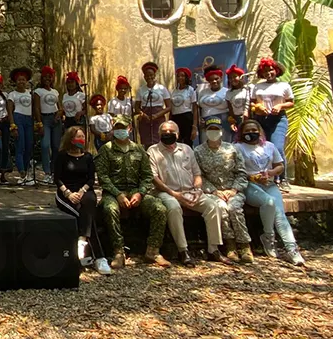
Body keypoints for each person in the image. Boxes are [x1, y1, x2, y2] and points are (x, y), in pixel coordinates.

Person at [148, 121, 230, 266]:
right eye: (164, 132)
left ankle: (213, 249)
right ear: (159, 134)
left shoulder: (186, 149)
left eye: (171, 131)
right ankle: (183, 250)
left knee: (213, 206)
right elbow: (154, 178)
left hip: (190, 191)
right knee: (173, 207)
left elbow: (197, 174)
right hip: (166, 192)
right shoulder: (153, 151)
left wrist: (197, 190)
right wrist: (173, 193)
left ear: (177, 134)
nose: (168, 134)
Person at [95, 115, 170, 268]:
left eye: (123, 128)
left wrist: (140, 193)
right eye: (117, 128)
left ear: (130, 128)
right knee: (110, 209)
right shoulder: (106, 149)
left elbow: (147, 175)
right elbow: (102, 176)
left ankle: (153, 250)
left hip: (136, 192)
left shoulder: (139, 149)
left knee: (159, 208)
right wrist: (118, 194)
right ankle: (118, 251)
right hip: (114, 193)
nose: (120, 131)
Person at [235, 120, 304, 266]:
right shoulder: (238, 148)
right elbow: (236, 169)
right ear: (241, 133)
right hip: (250, 185)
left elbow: (279, 166)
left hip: (269, 184)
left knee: (280, 214)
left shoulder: (269, 146)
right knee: (268, 202)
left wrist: (270, 173)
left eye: (254, 129)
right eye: (247, 131)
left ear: (260, 131)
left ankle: (292, 249)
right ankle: (268, 235)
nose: (251, 133)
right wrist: (252, 177)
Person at [194, 117, 261, 263]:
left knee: (234, 208)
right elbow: (200, 176)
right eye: (210, 129)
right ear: (205, 131)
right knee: (222, 208)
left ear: (222, 131)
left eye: (216, 129)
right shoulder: (198, 151)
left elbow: (242, 173)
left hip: (233, 190)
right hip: (213, 192)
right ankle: (229, 245)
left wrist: (234, 190)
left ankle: (244, 245)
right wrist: (213, 191)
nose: (213, 132)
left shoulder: (233, 148)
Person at [53, 126, 99, 268]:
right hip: (66, 192)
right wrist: (68, 193)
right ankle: (91, 255)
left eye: (83, 137)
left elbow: (91, 179)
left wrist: (82, 190)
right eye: (78, 137)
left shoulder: (88, 157)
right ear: (71, 140)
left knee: (89, 203)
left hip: (84, 190)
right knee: (83, 213)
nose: (82, 140)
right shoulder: (62, 156)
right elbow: (57, 178)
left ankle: (82, 240)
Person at [251, 57, 294, 191]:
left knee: (277, 147)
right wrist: (258, 107)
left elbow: (291, 102)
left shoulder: (284, 85)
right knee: (263, 149)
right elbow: (252, 103)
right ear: (261, 73)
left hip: (278, 120)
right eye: (265, 71)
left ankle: (282, 179)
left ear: (276, 70)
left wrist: (280, 105)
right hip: (261, 120)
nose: (268, 73)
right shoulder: (257, 86)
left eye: (270, 70)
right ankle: (267, 178)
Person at [34, 66, 63, 184]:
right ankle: (46, 173)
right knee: (45, 146)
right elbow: (36, 107)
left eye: (49, 77)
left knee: (56, 146)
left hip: (55, 120)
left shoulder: (55, 92)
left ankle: (54, 172)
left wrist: (59, 114)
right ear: (42, 78)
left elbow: (60, 107)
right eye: (45, 77)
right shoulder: (38, 92)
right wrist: (39, 122)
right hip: (44, 119)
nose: (47, 79)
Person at [7, 67, 34, 186]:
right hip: (18, 118)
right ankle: (21, 172)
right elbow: (10, 110)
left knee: (29, 146)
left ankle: (27, 172)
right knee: (20, 146)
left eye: (23, 80)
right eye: (19, 80)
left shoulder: (30, 93)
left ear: (27, 81)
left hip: (29, 119)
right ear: (15, 81)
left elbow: (34, 108)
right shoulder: (12, 94)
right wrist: (13, 125)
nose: (21, 82)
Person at [135, 62, 171, 148]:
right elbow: (136, 107)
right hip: (145, 118)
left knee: (160, 140)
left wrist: (157, 115)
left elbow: (169, 107)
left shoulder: (162, 88)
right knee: (147, 142)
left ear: (155, 75)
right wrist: (143, 114)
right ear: (144, 77)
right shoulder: (141, 90)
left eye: (151, 75)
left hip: (158, 117)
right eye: (147, 75)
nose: (149, 77)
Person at [196, 66, 231, 142]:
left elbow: (231, 108)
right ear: (208, 81)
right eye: (211, 80)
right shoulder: (202, 92)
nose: (214, 81)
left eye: (216, 79)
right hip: (206, 122)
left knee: (224, 144)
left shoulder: (227, 92)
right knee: (206, 144)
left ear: (221, 79)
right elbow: (198, 108)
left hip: (223, 121)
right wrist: (199, 119)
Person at [170, 67, 198, 146]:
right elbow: (171, 108)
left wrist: (194, 126)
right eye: (178, 76)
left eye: (182, 76)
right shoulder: (173, 91)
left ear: (186, 78)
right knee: (176, 141)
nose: (180, 78)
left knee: (187, 142)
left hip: (187, 118)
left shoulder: (191, 90)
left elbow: (195, 109)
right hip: (175, 118)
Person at [225, 65, 250, 134]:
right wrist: (232, 122)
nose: (232, 79)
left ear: (241, 77)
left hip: (249, 118)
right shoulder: (228, 93)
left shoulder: (248, 89)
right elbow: (230, 110)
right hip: (237, 119)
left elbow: (252, 102)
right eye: (230, 78)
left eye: (235, 76)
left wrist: (247, 112)